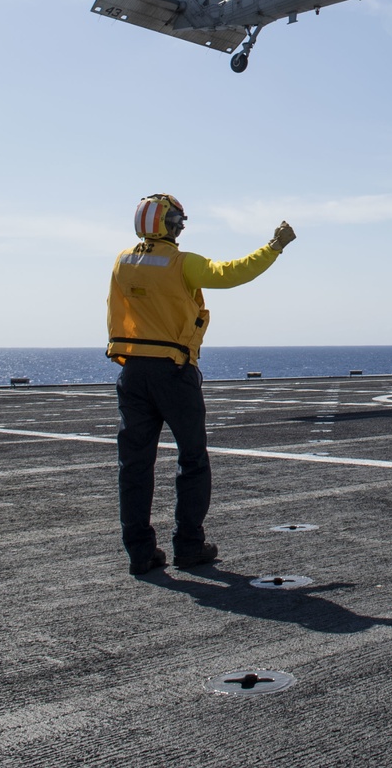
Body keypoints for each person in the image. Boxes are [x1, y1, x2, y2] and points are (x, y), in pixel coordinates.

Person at [107, 193, 296, 576]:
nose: (181, 227)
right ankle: (189, 545)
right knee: (192, 459)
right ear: (169, 224)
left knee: (135, 466)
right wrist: (274, 246)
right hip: (174, 371)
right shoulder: (181, 263)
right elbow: (230, 273)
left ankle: (140, 553)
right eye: (178, 221)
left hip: (132, 372)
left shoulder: (123, 261)